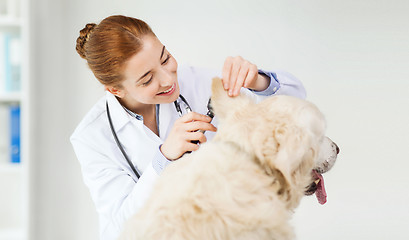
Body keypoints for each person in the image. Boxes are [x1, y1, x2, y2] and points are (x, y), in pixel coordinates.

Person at [71, 15, 306, 240]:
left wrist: (259, 82)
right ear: (115, 90)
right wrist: (163, 159)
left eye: (165, 58)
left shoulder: (196, 82)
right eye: (147, 79)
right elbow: (119, 230)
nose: (168, 79)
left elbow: (295, 106)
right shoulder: (92, 137)